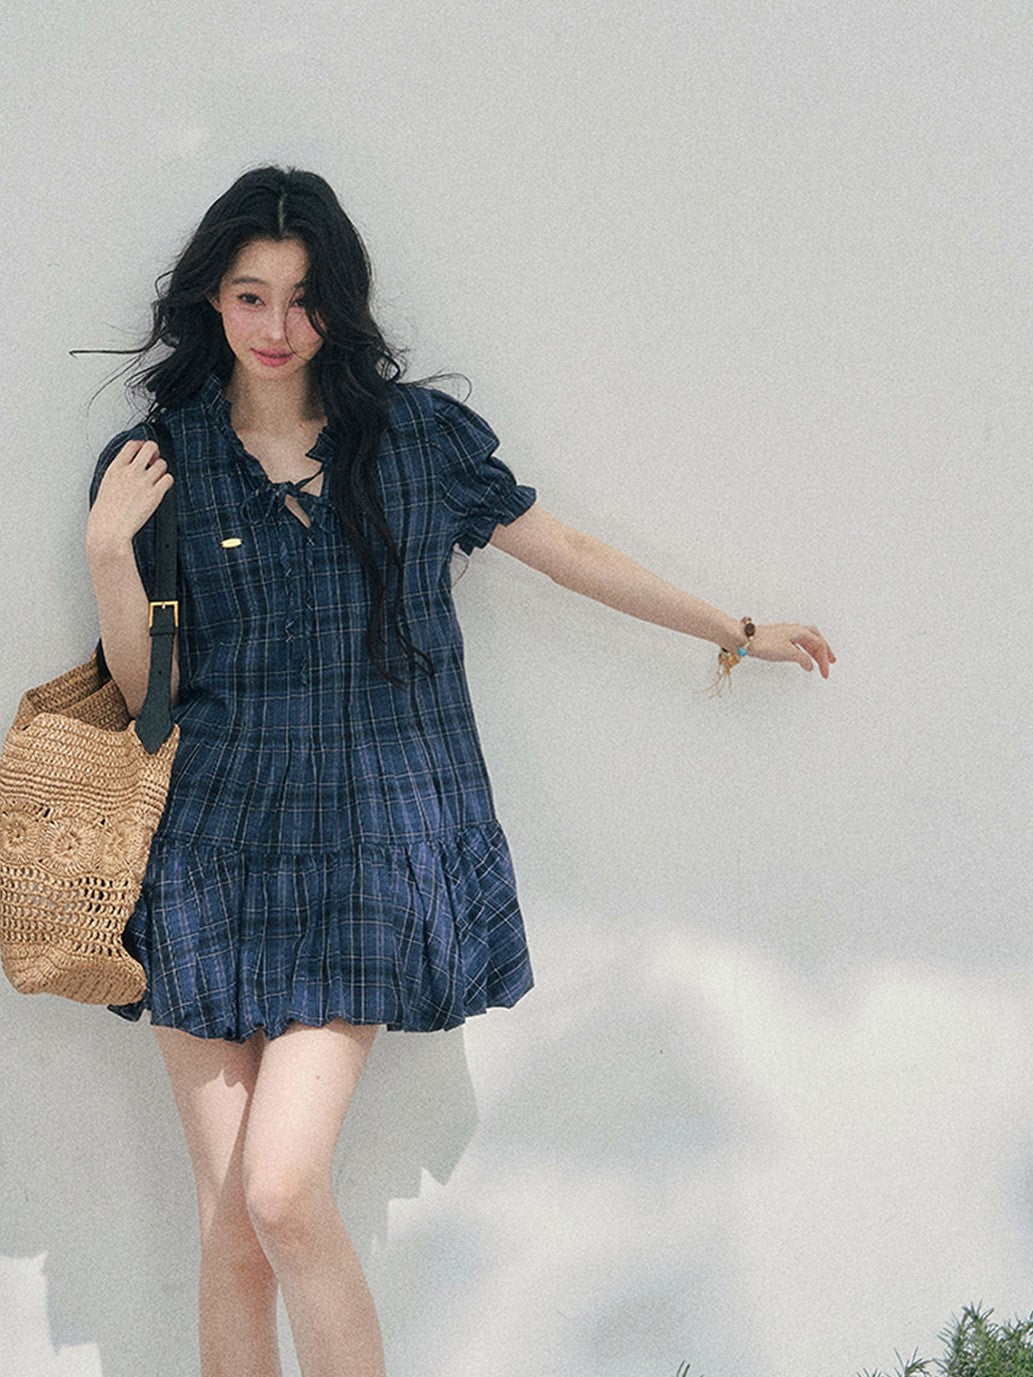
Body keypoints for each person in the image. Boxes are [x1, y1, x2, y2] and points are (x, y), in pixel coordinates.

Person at [84, 166, 836, 1377]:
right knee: (229, 1230)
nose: (276, 327)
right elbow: (143, 689)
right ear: (211, 301)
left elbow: (564, 548)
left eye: (303, 298)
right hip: (209, 856)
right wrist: (108, 550)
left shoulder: (413, 441)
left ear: (341, 303)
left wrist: (732, 629)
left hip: (371, 851)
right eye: (249, 296)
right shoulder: (158, 462)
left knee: (280, 1194)